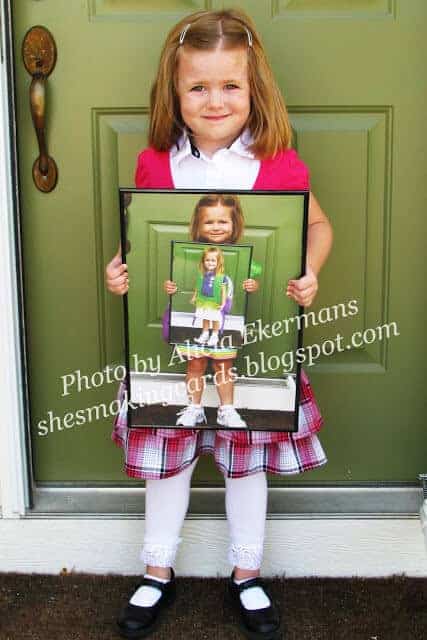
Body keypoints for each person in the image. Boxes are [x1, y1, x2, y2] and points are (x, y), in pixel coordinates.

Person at [106, 8, 333, 640]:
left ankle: (246, 572)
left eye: (230, 86)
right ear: (174, 93)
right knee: (167, 459)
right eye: (197, 87)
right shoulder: (156, 164)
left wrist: (309, 272)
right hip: (174, 345)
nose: (214, 101)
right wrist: (119, 268)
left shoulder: (279, 163)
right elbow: (141, 243)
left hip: (252, 344)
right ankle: (157, 570)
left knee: (246, 460)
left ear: (254, 89)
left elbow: (317, 226)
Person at [164, 195, 257, 430]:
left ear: (234, 224)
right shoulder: (187, 255)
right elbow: (179, 281)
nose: (216, 227)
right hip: (198, 319)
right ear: (198, 225)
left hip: (224, 322)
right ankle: (194, 408)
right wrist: (171, 288)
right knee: (195, 365)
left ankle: (227, 409)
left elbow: (253, 280)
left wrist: (252, 285)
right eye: (209, 222)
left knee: (223, 366)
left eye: (223, 222)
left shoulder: (245, 258)